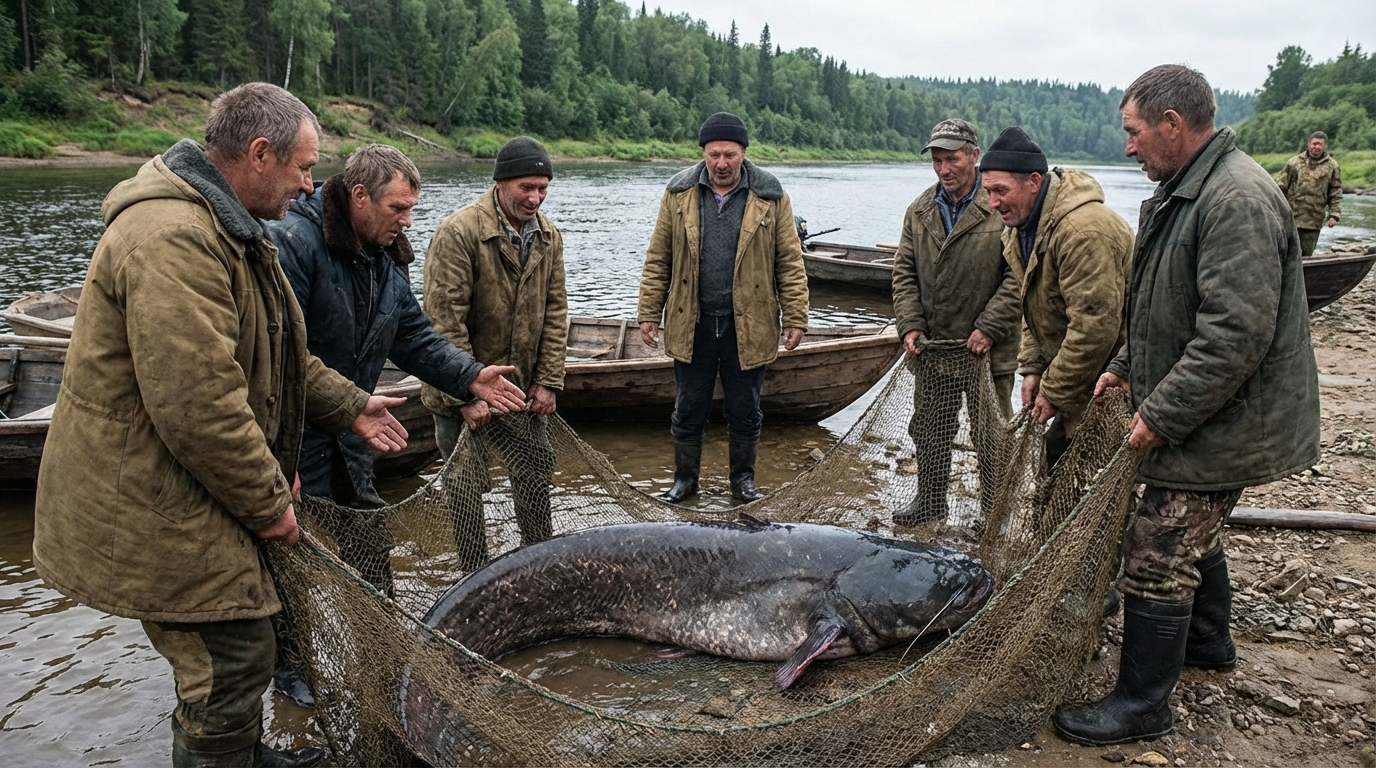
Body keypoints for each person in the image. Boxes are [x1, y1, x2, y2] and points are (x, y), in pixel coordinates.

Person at [31, 83, 410, 768]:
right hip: (149, 497)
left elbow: (278, 355)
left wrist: (350, 404)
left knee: (245, 645)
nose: (310, 184)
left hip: (188, 485)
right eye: (303, 167)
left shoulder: (231, 229)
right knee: (231, 659)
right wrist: (268, 503)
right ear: (259, 154)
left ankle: (244, 752)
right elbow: (200, 404)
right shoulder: (174, 239)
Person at [1053, 64, 1321, 747]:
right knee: (1198, 531)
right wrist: (1122, 368)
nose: (1127, 147)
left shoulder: (1235, 199)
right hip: (1210, 411)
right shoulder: (1183, 191)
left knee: (1157, 548)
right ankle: (1207, 643)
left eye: (1134, 131)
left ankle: (1143, 705)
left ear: (1172, 125)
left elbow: (1234, 336)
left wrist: (1162, 413)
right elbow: (1159, 307)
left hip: (1227, 419)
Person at [266, 143, 526, 705]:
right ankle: (290, 668)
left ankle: (378, 646)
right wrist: (281, 456)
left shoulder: (385, 256)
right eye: (398, 209)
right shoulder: (294, 242)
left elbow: (412, 336)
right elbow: (278, 358)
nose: (407, 221)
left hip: (355, 429)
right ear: (359, 196)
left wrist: (471, 376)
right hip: (290, 433)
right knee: (289, 553)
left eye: (411, 209)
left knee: (367, 540)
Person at [637, 112, 810, 503]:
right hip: (692, 320)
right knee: (688, 407)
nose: (721, 163)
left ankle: (742, 482)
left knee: (745, 409)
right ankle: (685, 480)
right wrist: (648, 312)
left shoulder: (771, 196)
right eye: (713, 154)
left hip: (748, 322)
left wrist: (796, 316)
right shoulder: (678, 193)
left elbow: (789, 261)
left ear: (744, 153)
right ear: (703, 153)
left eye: (729, 155)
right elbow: (658, 257)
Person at [423, 137, 567, 567]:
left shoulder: (548, 234)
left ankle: (538, 564)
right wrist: (464, 393)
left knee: (535, 473)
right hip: (461, 388)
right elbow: (443, 322)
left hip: (519, 389)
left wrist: (548, 381)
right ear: (500, 183)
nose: (535, 198)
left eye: (543, 188)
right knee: (465, 486)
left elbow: (556, 311)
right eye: (526, 187)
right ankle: (472, 572)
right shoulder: (459, 232)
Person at [890, 118, 1020, 525]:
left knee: (991, 435)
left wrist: (989, 327)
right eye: (937, 161)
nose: (944, 169)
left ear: (974, 155)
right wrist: (910, 324)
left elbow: (1020, 276)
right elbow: (903, 272)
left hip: (988, 351)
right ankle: (930, 503)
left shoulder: (999, 205)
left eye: (953, 159)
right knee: (929, 430)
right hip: (933, 348)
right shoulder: (919, 210)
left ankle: (993, 516)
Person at [980, 126, 1134, 468]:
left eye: (1000, 190)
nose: (992, 203)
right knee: (1054, 462)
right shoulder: (1020, 229)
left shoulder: (1083, 232)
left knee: (1090, 473)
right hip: (1077, 373)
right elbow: (1032, 307)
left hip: (1115, 377)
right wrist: (1033, 367)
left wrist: (1053, 391)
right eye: (988, 191)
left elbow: (1094, 329)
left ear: (1034, 182)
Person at [1277, 130, 1343, 256]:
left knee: (1306, 254)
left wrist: (1334, 214)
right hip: (1290, 217)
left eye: (1320, 144)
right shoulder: (1294, 162)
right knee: (1284, 252)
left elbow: (1335, 191)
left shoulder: (1332, 166)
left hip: (1313, 220)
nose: (1316, 147)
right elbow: (1280, 187)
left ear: (1325, 146)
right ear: (1308, 144)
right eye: (1314, 144)